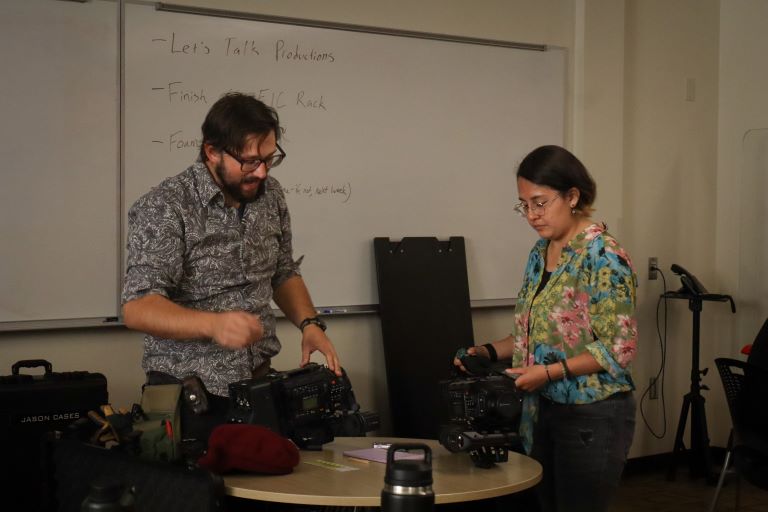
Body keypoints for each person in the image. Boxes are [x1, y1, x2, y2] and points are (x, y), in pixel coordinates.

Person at [122, 92, 341, 445]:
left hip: (259, 384)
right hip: (192, 397)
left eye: (270, 159)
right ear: (212, 151)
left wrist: (310, 324)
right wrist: (214, 325)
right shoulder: (164, 207)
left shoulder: (270, 195)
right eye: (251, 161)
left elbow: (282, 271)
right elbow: (138, 307)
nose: (263, 172)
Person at [455, 145, 637, 512]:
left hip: (592, 415)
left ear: (573, 196)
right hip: (542, 409)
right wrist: (485, 352)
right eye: (524, 205)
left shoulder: (604, 255)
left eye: (540, 202)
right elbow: (531, 336)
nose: (532, 215)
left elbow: (617, 349)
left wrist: (549, 373)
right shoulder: (540, 253)